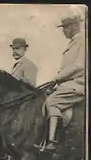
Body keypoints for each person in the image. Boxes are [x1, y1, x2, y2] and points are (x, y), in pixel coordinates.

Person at [34, 14, 85, 152]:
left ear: (75, 26)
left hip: (78, 84)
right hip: (69, 83)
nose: (64, 31)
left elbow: (79, 66)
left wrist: (56, 79)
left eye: (66, 27)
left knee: (52, 101)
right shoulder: (74, 43)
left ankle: (52, 142)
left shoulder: (82, 42)